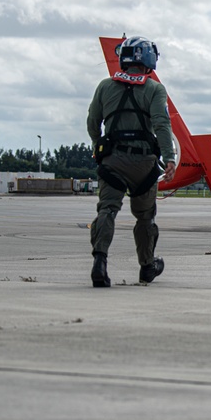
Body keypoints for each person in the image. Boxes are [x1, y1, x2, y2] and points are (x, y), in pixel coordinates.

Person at [87, 36, 177, 287]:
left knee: (107, 210)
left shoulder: (105, 86)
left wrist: (99, 146)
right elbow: (161, 124)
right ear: (148, 60)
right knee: (145, 217)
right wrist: (169, 158)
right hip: (143, 166)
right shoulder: (155, 89)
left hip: (112, 162)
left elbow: (92, 122)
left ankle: (100, 262)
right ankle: (147, 266)